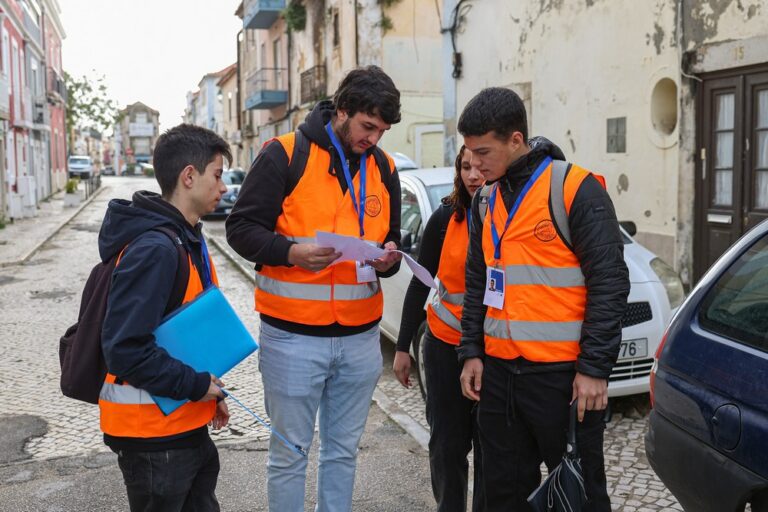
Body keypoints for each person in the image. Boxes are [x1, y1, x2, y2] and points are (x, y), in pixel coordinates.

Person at [225, 65, 403, 512]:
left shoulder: (385, 167)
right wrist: (290, 252)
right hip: (292, 340)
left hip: (361, 340)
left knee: (342, 454)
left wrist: (388, 258)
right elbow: (240, 229)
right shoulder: (283, 155)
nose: (374, 139)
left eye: (381, 130)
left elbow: (390, 239)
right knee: (290, 456)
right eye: (367, 127)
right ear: (341, 110)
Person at [457, 87, 630, 511]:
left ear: (516, 140)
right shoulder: (484, 201)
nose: (474, 166)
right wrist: (471, 351)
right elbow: (477, 281)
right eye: (468, 153)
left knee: (579, 495)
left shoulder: (575, 188)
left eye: (483, 152)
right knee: (502, 493)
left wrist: (593, 369)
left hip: (562, 379)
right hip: (499, 375)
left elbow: (610, 283)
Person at [98, 124, 233, 511]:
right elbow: (125, 349)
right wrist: (194, 384)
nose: (223, 187)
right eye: (218, 175)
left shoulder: (185, 237)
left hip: (183, 420)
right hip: (154, 435)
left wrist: (209, 392)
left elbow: (190, 328)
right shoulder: (156, 248)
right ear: (189, 176)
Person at [393, 145, 485, 512]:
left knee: (492, 450)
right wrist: (402, 347)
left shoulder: (511, 217)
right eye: (466, 167)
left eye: (480, 166)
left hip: (495, 354)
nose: (474, 175)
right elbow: (420, 283)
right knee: (447, 446)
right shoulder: (446, 217)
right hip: (445, 348)